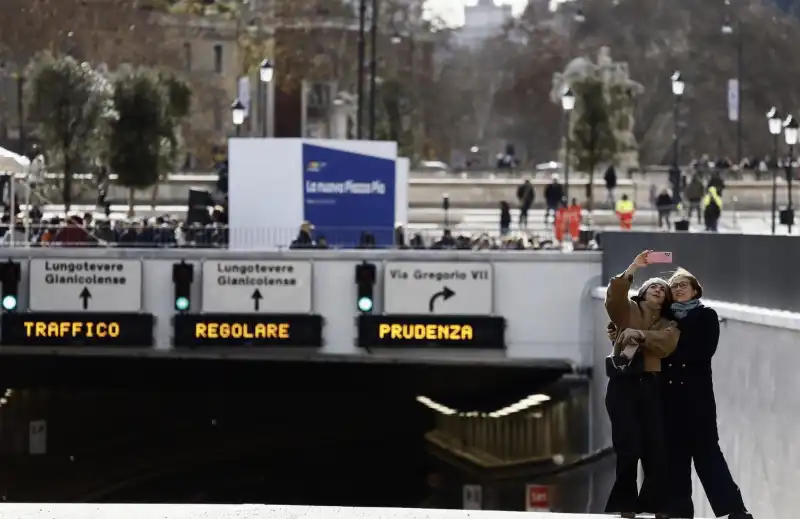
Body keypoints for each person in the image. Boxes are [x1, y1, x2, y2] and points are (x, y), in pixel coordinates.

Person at [663, 269, 753, 519]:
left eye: (683, 285)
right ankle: (678, 511)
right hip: (668, 400)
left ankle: (734, 509)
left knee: (708, 455)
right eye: (674, 286)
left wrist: (666, 347)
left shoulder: (706, 316)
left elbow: (702, 351)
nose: (679, 289)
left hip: (697, 400)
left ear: (694, 290)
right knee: (675, 457)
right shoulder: (662, 318)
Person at [604, 251, 680, 518]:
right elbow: (614, 298)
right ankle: (625, 505)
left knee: (656, 448)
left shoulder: (670, 323)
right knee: (628, 446)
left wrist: (640, 335)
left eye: (663, 289)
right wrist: (634, 265)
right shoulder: (628, 311)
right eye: (654, 286)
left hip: (651, 386)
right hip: (623, 385)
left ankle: (654, 504)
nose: (659, 289)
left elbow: (666, 344)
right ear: (643, 292)